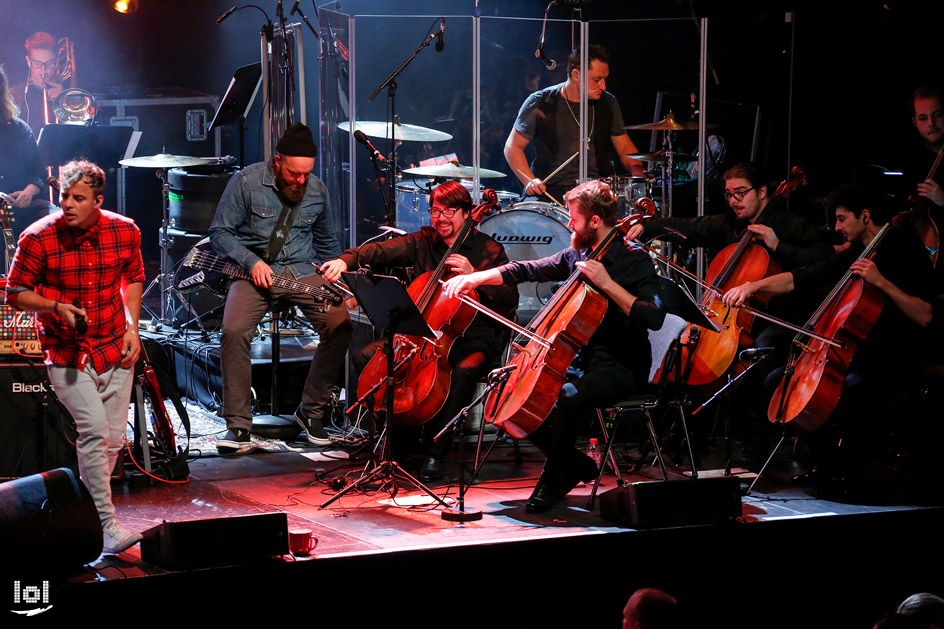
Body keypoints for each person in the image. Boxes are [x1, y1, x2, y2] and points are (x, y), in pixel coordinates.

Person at [443, 179, 666, 511]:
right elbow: (528, 269)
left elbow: (655, 316)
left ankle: (554, 474)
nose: (569, 225)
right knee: (510, 398)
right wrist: (476, 278)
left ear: (594, 221)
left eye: (573, 220)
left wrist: (607, 283)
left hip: (622, 364)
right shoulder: (580, 251)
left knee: (564, 398)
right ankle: (573, 465)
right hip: (580, 360)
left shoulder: (634, 260)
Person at [722, 184, 933, 484]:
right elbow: (806, 276)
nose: (836, 227)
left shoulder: (903, 248)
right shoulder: (859, 250)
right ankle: (826, 460)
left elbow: (925, 315)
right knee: (776, 380)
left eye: (841, 219)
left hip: (894, 353)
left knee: (847, 390)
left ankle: (848, 468)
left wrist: (881, 282)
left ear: (866, 216)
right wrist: (753, 286)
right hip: (855, 352)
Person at [320, 181, 518, 481]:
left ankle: (437, 451)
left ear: (467, 213)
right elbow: (379, 251)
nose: (440, 218)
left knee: (463, 370)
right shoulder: (423, 240)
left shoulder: (488, 248)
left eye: (449, 211)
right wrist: (344, 259)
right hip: (421, 337)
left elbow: (509, 298)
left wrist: (475, 277)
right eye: (435, 211)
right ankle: (401, 439)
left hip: (471, 336)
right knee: (366, 358)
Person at [5, 159, 145, 555]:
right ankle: (104, 526)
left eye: (78, 198)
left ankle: (90, 520)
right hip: (67, 351)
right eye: (65, 195)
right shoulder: (39, 236)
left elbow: (133, 277)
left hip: (115, 346)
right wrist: (54, 306)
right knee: (95, 432)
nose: (67, 203)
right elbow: (14, 293)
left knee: (114, 440)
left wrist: (133, 328)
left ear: (97, 200)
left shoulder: (124, 230)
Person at [209, 123, 352, 453]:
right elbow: (220, 233)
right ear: (277, 162)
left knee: (340, 324)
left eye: (306, 174)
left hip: (302, 271)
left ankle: (311, 413)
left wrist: (338, 276)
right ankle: (239, 426)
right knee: (233, 331)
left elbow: (328, 241)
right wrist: (250, 261)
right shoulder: (245, 182)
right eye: (293, 174)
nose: (301, 181)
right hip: (253, 273)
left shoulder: (317, 189)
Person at [504, 45, 645, 204]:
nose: (603, 86)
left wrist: (637, 170)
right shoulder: (541, 101)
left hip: (593, 193)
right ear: (576, 74)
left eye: (605, 79)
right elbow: (513, 147)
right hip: (549, 192)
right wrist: (530, 180)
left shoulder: (608, 102)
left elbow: (625, 147)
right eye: (597, 80)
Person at [0, 65, 55, 239]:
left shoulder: (18, 128)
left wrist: (29, 191)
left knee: (56, 218)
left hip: (19, 205)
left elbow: (38, 169)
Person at [10, 32, 64, 138]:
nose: (43, 70)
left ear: (57, 62)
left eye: (49, 63)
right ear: (28, 61)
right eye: (37, 63)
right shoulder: (14, 95)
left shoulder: (67, 95)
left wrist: (63, 101)